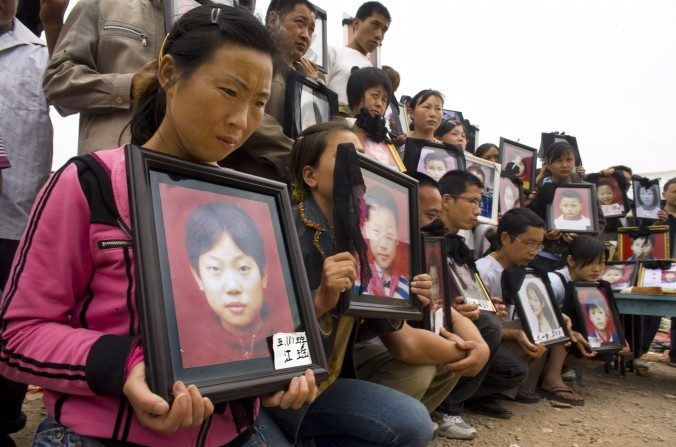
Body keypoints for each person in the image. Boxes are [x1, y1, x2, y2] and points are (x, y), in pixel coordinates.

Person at [1, 6, 318, 445]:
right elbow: (17, 336)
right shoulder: (90, 184)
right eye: (229, 90)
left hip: (237, 436)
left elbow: (275, 328)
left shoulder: (255, 205)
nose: (242, 120)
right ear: (169, 73)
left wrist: (290, 367)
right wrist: (123, 365)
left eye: (259, 103)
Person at [273, 120, 484, 445]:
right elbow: (267, 341)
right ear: (310, 176)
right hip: (288, 387)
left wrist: (411, 299)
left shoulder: (368, 239)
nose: (359, 168)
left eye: (362, 156)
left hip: (331, 381)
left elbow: (398, 337)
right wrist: (318, 303)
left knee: (415, 421)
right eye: (346, 157)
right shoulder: (284, 229)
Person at [0, 1, 67, 444]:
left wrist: (53, 24)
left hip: (14, 221)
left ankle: (4, 421)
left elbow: (67, 95)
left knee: (9, 323)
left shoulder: (38, 54)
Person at [436, 171, 523, 430]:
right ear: (447, 200)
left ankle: (460, 398)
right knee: (490, 326)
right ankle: (447, 408)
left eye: (479, 202)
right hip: (438, 321)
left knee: (514, 371)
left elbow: (471, 292)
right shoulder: (426, 238)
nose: (478, 209)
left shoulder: (461, 245)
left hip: (464, 319)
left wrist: (486, 302)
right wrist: (452, 307)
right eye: (472, 201)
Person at [178, 202, 293, 367]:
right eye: (215, 268)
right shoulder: (193, 352)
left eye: (243, 268)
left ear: (263, 274)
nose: (233, 287)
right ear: (198, 277)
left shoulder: (288, 329)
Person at [42, 0, 164, 153]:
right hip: (109, 166)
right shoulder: (98, 4)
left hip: (185, 170)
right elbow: (57, 80)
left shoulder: (198, 20)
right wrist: (129, 86)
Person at [222, 0, 319, 182]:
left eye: (311, 29)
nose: (306, 35)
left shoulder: (307, 80)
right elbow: (248, 117)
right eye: (300, 23)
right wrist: (301, 156)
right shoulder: (249, 56)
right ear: (273, 19)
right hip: (250, 181)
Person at [476, 208, 548, 404]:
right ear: (506, 238)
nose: (533, 252)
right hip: (486, 340)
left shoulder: (523, 272)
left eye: (539, 246)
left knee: (546, 326)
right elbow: (478, 326)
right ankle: (478, 395)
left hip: (503, 335)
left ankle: (505, 390)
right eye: (529, 244)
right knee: (516, 361)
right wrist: (514, 333)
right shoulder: (484, 271)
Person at [529, 142, 605, 272]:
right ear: (547, 163)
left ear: (575, 161)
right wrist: (545, 235)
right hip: (545, 256)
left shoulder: (586, 189)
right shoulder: (537, 190)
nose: (565, 165)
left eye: (569, 160)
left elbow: (600, 221)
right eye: (559, 161)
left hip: (577, 258)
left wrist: (583, 237)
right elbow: (533, 221)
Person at [326, 1, 390, 109]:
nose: (379, 35)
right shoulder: (332, 52)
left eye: (384, 30)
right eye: (375, 25)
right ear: (356, 24)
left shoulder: (374, 71)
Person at [361, 185, 410, 300]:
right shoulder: (357, 281)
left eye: (390, 235)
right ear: (366, 232)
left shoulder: (406, 286)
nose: (383, 245)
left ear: (397, 239)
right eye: (376, 232)